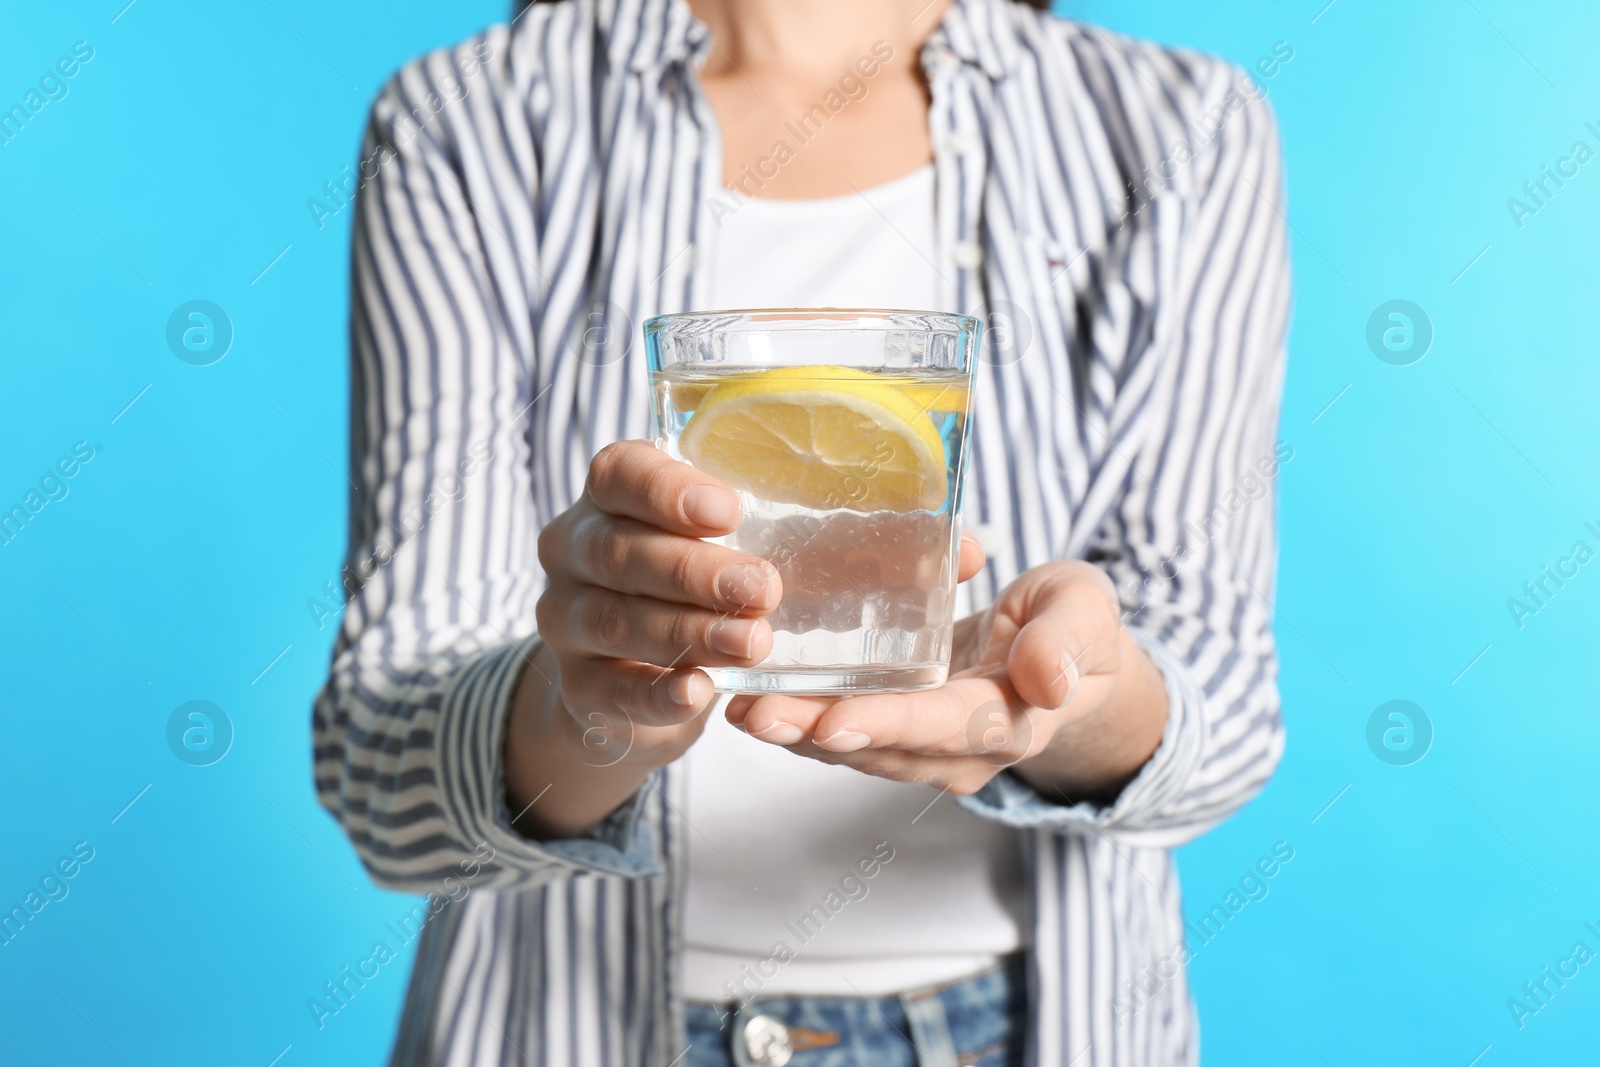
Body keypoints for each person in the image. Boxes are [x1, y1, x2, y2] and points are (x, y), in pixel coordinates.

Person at [312, 0, 1289, 1062]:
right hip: (568, 1027)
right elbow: (379, 773)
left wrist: (1072, 699)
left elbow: (1223, 710)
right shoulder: (472, 121)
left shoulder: (1179, 129)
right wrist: (591, 707)